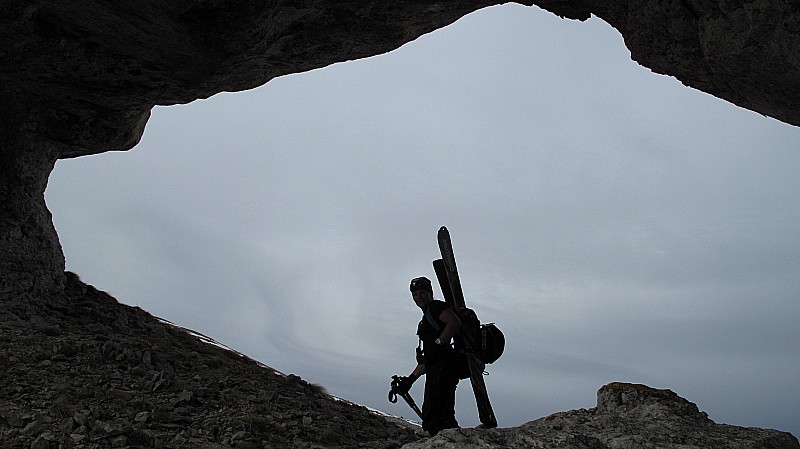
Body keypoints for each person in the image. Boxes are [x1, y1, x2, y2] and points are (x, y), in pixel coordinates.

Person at [395, 276, 462, 436]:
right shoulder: (426, 317)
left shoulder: (435, 307)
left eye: (422, 292)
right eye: (415, 294)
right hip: (439, 369)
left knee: (433, 415)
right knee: (443, 414)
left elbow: (454, 322)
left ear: (430, 293)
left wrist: (440, 342)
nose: (418, 297)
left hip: (443, 369)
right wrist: (409, 380)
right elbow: (429, 357)